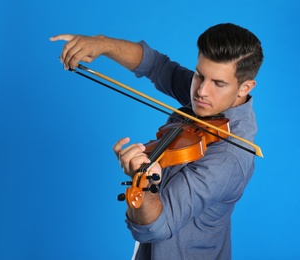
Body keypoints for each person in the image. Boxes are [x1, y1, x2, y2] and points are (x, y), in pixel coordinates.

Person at [50, 23, 264, 259]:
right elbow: (157, 66)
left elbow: (156, 227)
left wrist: (144, 184)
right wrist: (103, 44)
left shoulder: (228, 159)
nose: (201, 91)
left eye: (218, 83)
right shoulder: (210, 101)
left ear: (245, 87)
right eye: (199, 75)